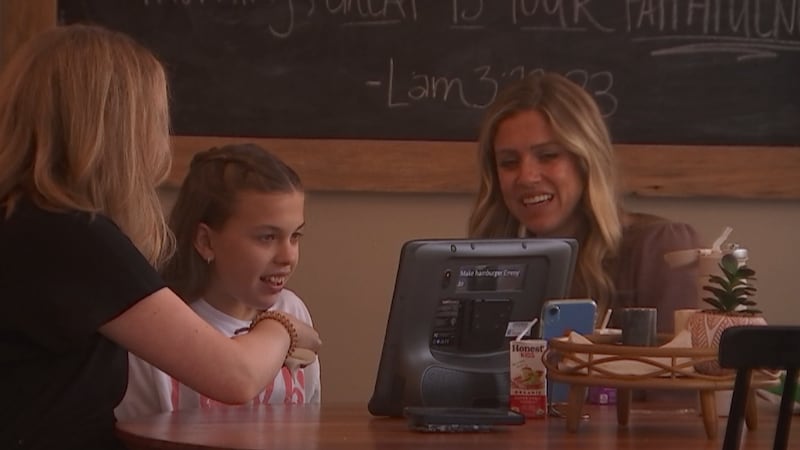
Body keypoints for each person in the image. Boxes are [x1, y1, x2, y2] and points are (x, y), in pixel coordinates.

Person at [0, 25, 320, 450]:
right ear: (114, 129)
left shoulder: (21, 221)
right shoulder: (72, 236)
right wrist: (282, 325)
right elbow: (235, 377)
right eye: (152, 119)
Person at [468, 72, 702, 334]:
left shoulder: (659, 248)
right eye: (509, 162)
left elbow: (675, 368)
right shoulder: (490, 268)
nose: (527, 177)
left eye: (548, 156)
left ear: (586, 161)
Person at [115, 143, 320, 419]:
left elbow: (308, 421)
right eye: (267, 237)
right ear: (205, 241)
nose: (288, 256)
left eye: (295, 236)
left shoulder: (292, 310)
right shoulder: (156, 327)